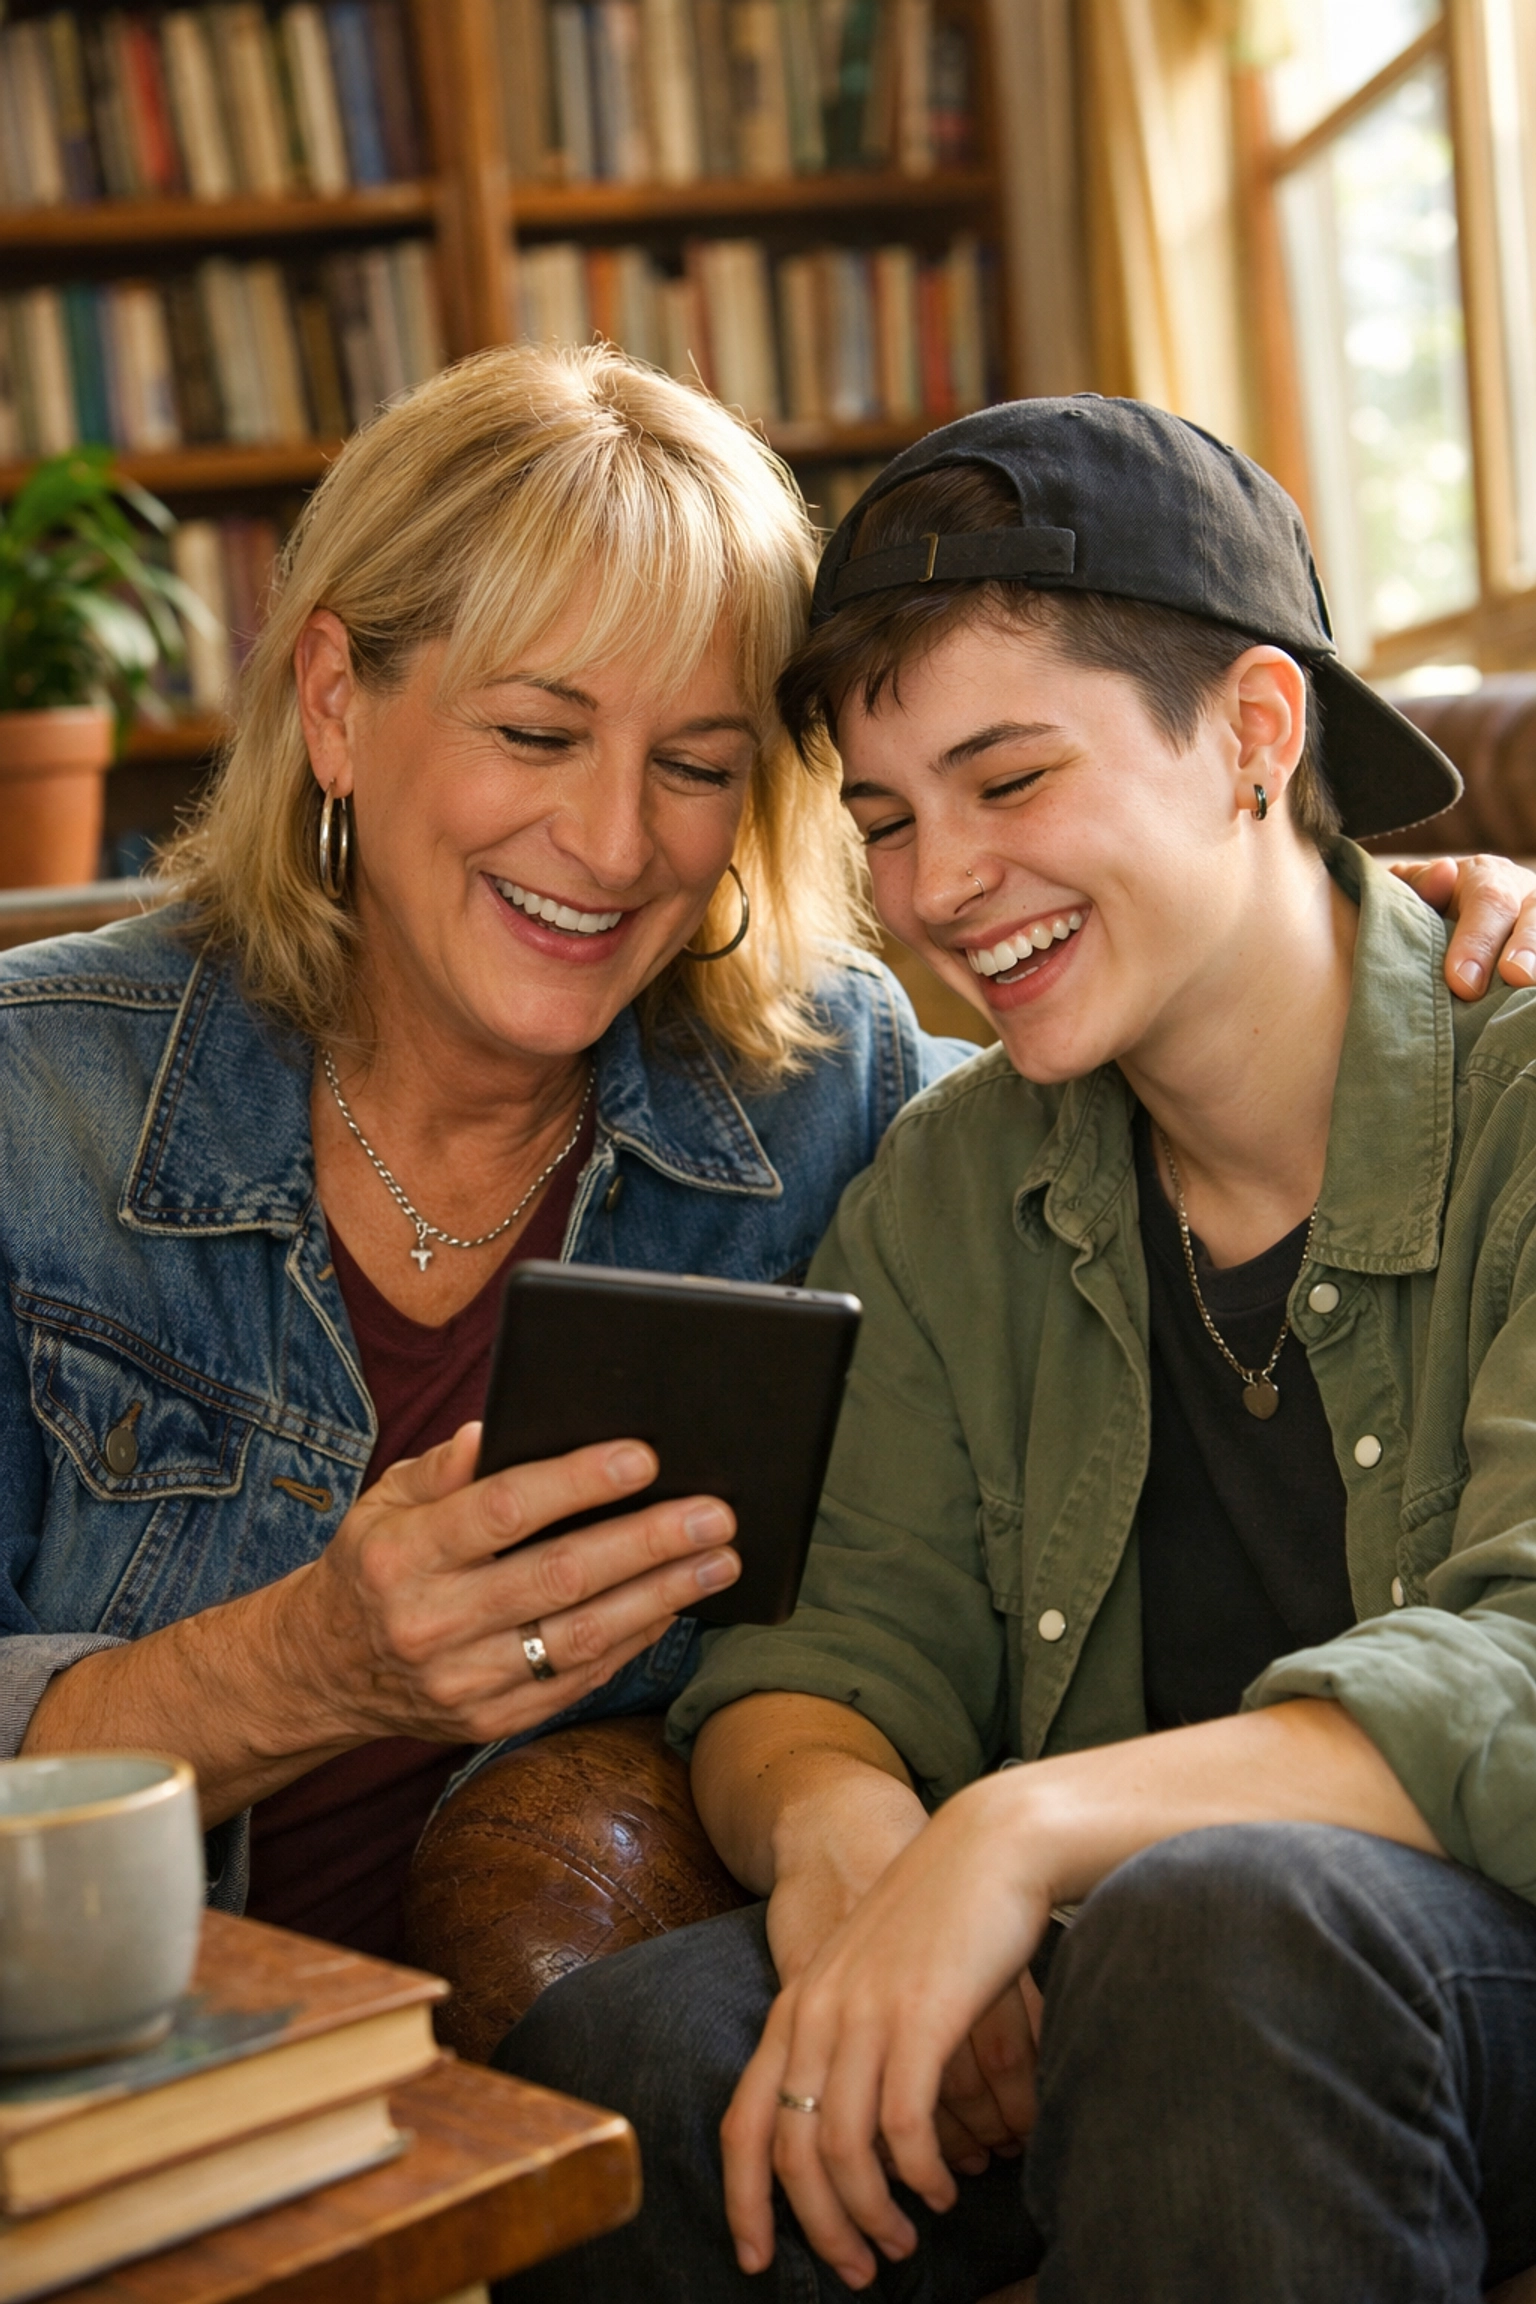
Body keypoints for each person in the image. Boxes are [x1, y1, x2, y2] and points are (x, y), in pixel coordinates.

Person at [498, 398, 1536, 2304]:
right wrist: (862, 1855)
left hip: (1449, 1956)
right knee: (626, 2071)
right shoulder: (949, 1182)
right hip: (1132, 1966)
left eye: (1010, 779)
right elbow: (819, 1657)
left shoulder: (1523, 1099)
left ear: (1257, 735)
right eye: (888, 820)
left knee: (1221, 1929)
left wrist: (1015, 1837)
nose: (936, 889)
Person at [0, 343, 974, 1960]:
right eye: (534, 734)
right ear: (335, 702)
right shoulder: (34, 1094)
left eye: (695, 766)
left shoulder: (823, 1082)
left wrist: (1351, 949)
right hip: (143, 2042)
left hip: (583, 2039)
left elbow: (1122, 1155)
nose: (612, 844)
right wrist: (314, 1662)